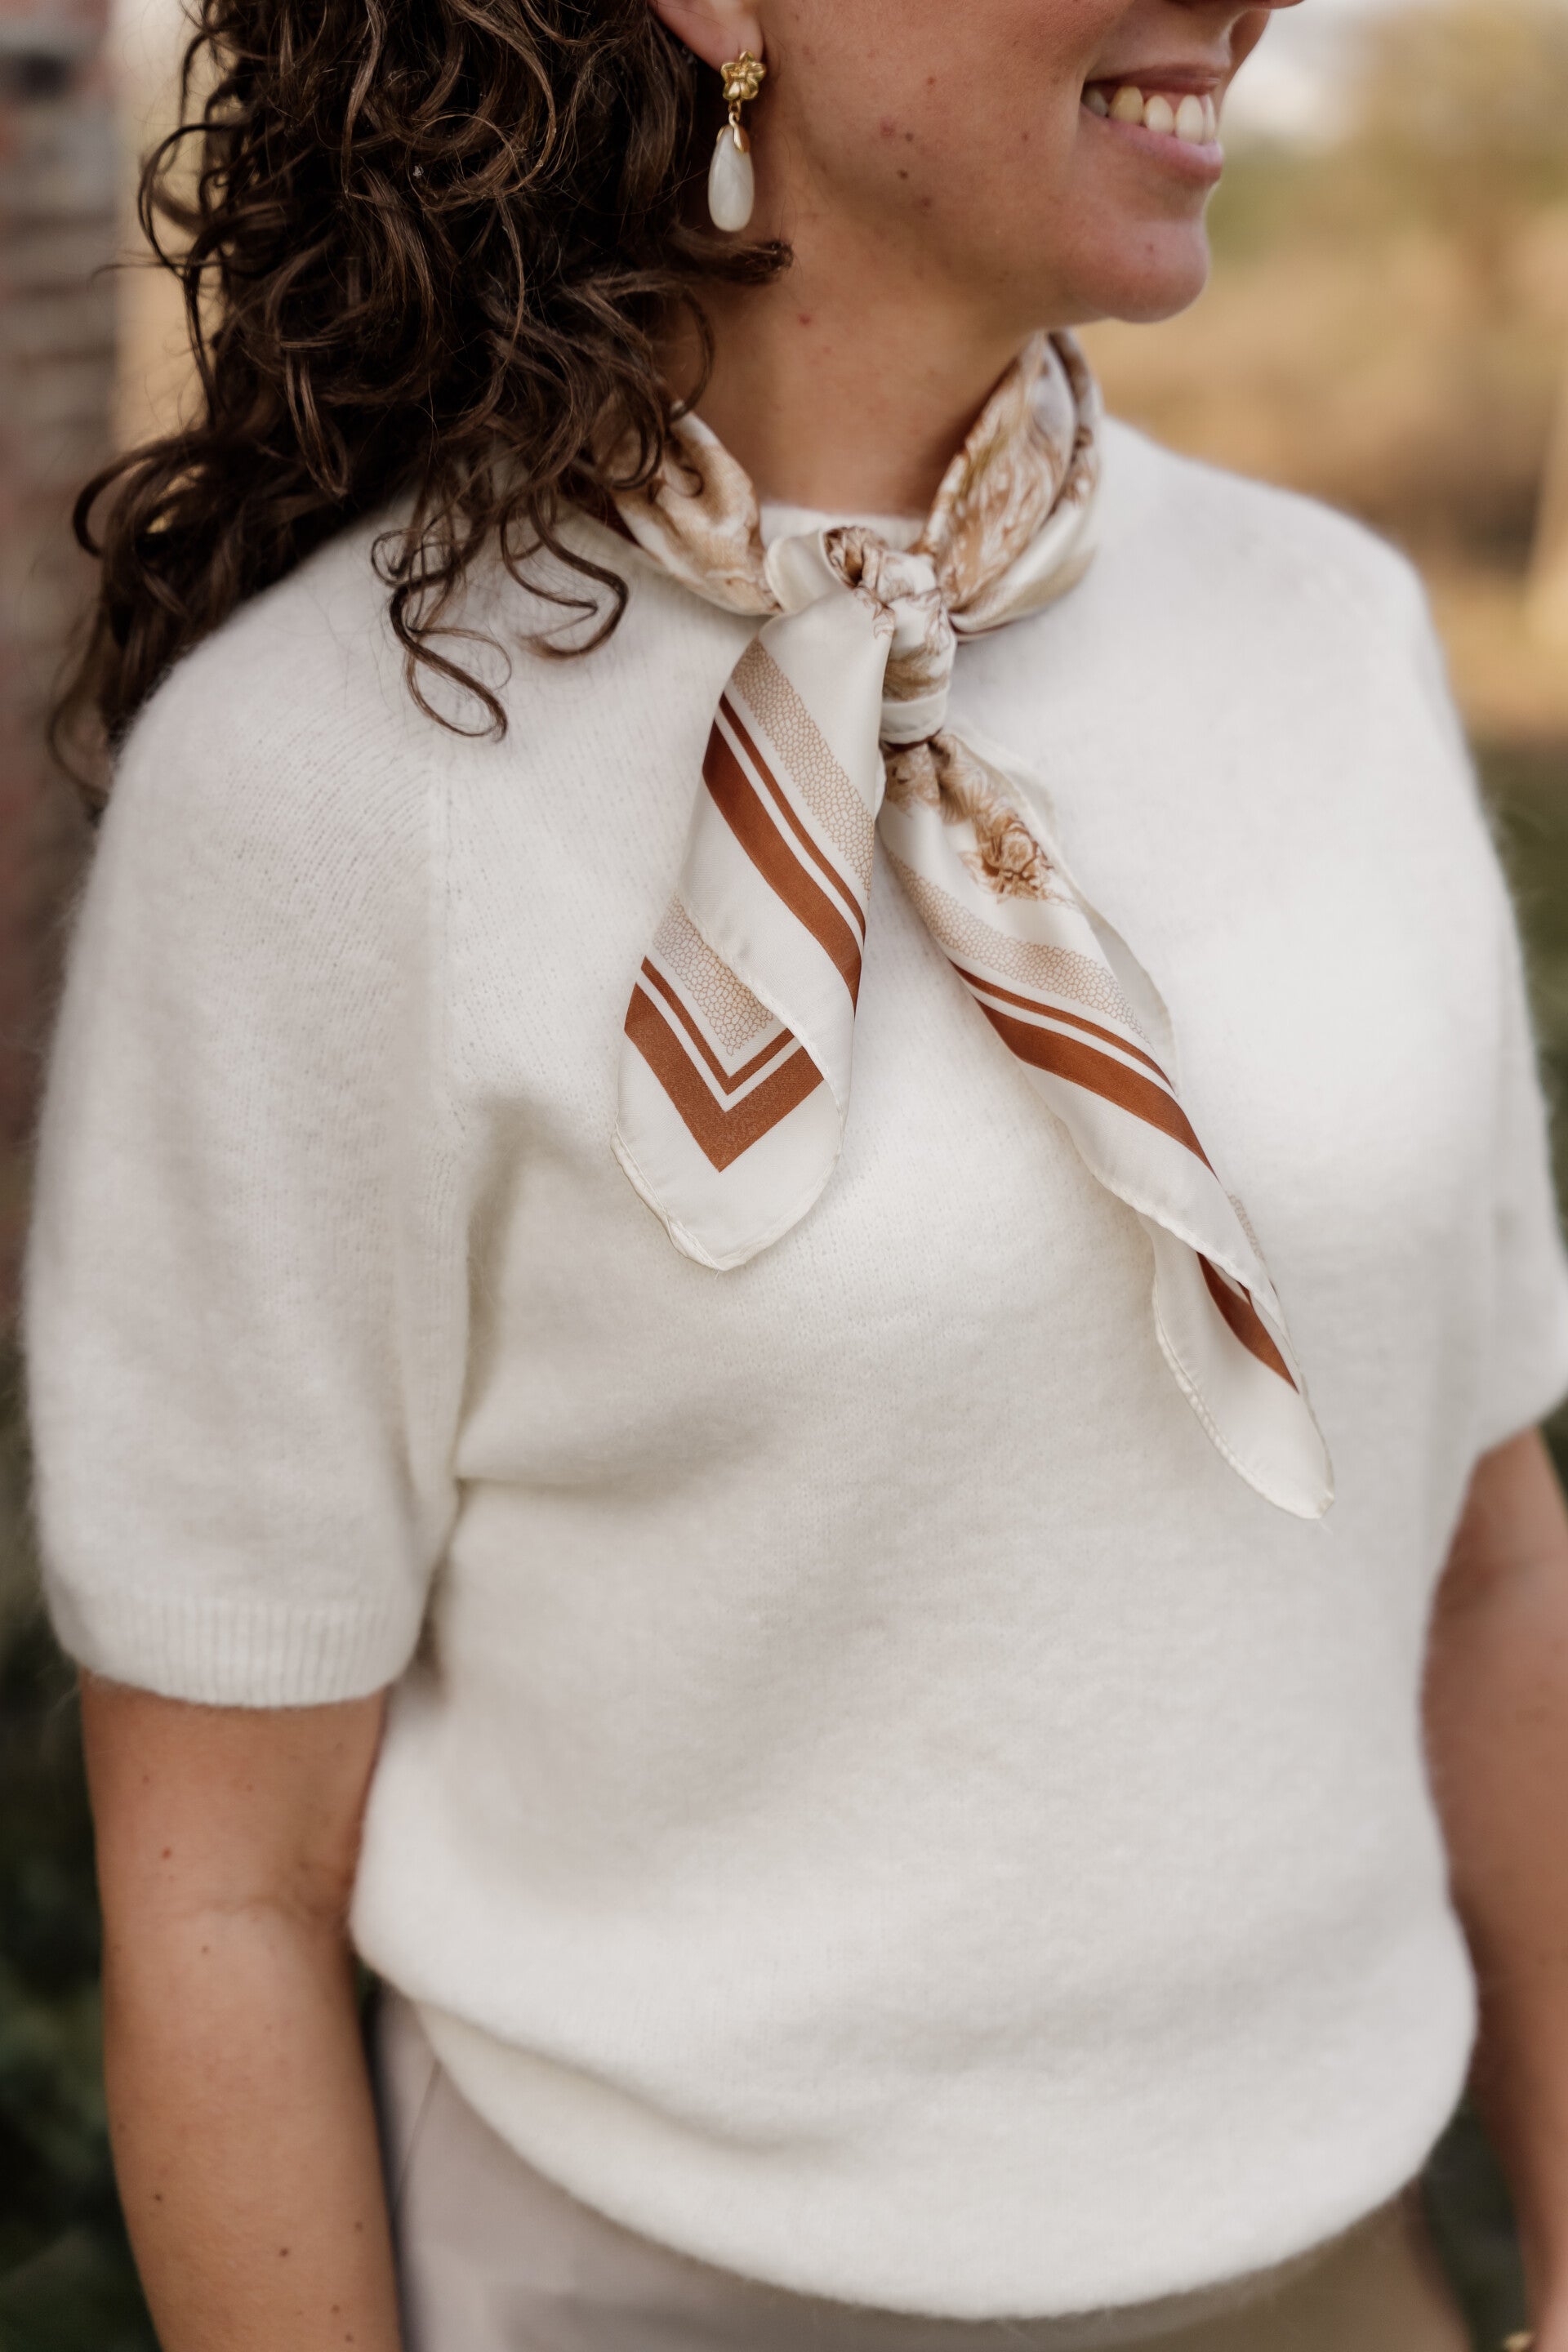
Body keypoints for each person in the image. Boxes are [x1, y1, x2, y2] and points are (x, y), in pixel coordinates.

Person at [26, 0, 1568, 2344]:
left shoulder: (1335, 641)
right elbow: (227, 1884)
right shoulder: (325, 797)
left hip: (1344, 2288)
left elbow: (1491, 1559)